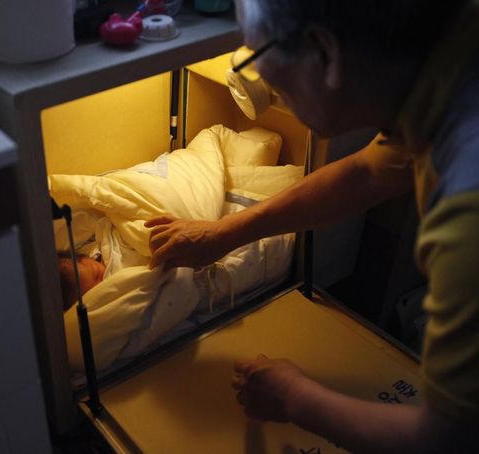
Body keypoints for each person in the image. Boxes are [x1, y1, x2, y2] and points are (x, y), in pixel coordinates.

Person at [146, 0, 478, 451]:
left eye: (257, 57)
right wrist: (224, 233)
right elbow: (368, 172)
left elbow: (448, 438)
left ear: (324, 52)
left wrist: (295, 398)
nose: (258, 79)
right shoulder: (446, 58)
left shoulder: (465, 205)